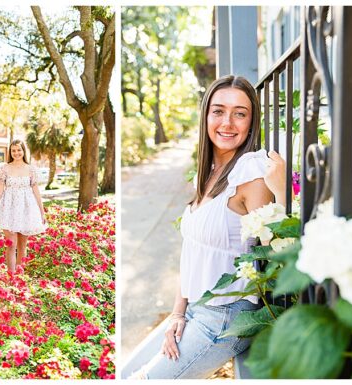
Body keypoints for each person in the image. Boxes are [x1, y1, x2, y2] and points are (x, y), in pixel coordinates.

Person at [122, 75, 287, 379]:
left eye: (240, 113)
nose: (228, 122)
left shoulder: (250, 173)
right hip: (196, 307)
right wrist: (177, 312)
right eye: (219, 111)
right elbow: (192, 251)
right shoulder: (211, 171)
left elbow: (280, 248)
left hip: (226, 316)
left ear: (251, 123)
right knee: (123, 373)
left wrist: (280, 192)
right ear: (206, 116)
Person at [0, 139, 47, 274]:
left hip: (26, 208)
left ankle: (20, 277)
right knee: (11, 243)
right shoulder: (5, 168)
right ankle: (11, 275)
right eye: (13, 150)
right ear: (10, 152)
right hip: (8, 207)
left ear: (23, 151)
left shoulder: (30, 169)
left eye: (19, 150)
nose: (16, 153)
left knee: (22, 245)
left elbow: (36, 191)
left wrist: (41, 211)